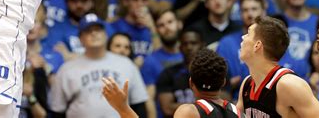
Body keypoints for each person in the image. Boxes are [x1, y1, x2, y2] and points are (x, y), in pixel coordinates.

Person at [49, 13, 148, 117]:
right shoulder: (66, 69)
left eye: (98, 30)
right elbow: (57, 111)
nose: (94, 34)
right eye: (88, 31)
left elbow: (139, 105)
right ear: (80, 39)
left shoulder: (126, 64)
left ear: (106, 34)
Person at [103, 48, 244, 118]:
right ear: (223, 82)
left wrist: (122, 108)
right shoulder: (237, 112)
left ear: (191, 83)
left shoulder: (188, 112)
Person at [237, 16, 319, 117]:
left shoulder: (289, 84)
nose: (243, 37)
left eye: (248, 34)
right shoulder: (247, 83)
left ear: (257, 45)